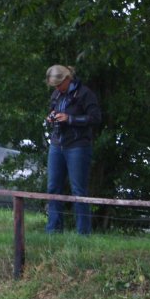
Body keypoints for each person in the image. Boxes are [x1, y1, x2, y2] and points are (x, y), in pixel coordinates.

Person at [44, 64, 102, 235]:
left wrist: (70, 119)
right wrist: (51, 117)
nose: (56, 88)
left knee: (78, 190)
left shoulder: (85, 94)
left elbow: (96, 118)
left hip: (78, 146)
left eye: (58, 84)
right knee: (53, 187)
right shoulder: (56, 94)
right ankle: (53, 229)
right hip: (57, 144)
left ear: (67, 79)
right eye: (54, 86)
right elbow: (52, 111)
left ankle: (83, 232)